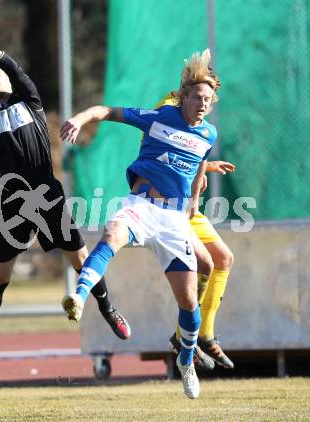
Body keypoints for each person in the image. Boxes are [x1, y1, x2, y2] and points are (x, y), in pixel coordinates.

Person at [0, 15, 131, 370]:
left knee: (81, 262)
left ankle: (108, 309)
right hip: (12, 203)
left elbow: (10, 64)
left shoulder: (29, 99)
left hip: (47, 194)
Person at [61, 49, 220, 399]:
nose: (203, 104)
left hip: (174, 220)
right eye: (197, 98)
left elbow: (197, 167)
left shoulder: (208, 135)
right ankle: (79, 296)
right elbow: (107, 111)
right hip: (141, 205)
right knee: (110, 234)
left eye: (208, 99)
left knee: (189, 303)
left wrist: (193, 203)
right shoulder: (159, 116)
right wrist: (79, 119)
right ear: (183, 96)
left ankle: (185, 361)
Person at [154, 90, 236, 370]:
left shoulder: (200, 117)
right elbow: (158, 152)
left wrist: (205, 168)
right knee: (206, 263)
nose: (206, 102)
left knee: (224, 259)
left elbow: (193, 151)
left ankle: (205, 334)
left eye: (211, 95)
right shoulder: (168, 108)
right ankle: (183, 338)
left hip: (189, 206)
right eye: (202, 93)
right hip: (167, 205)